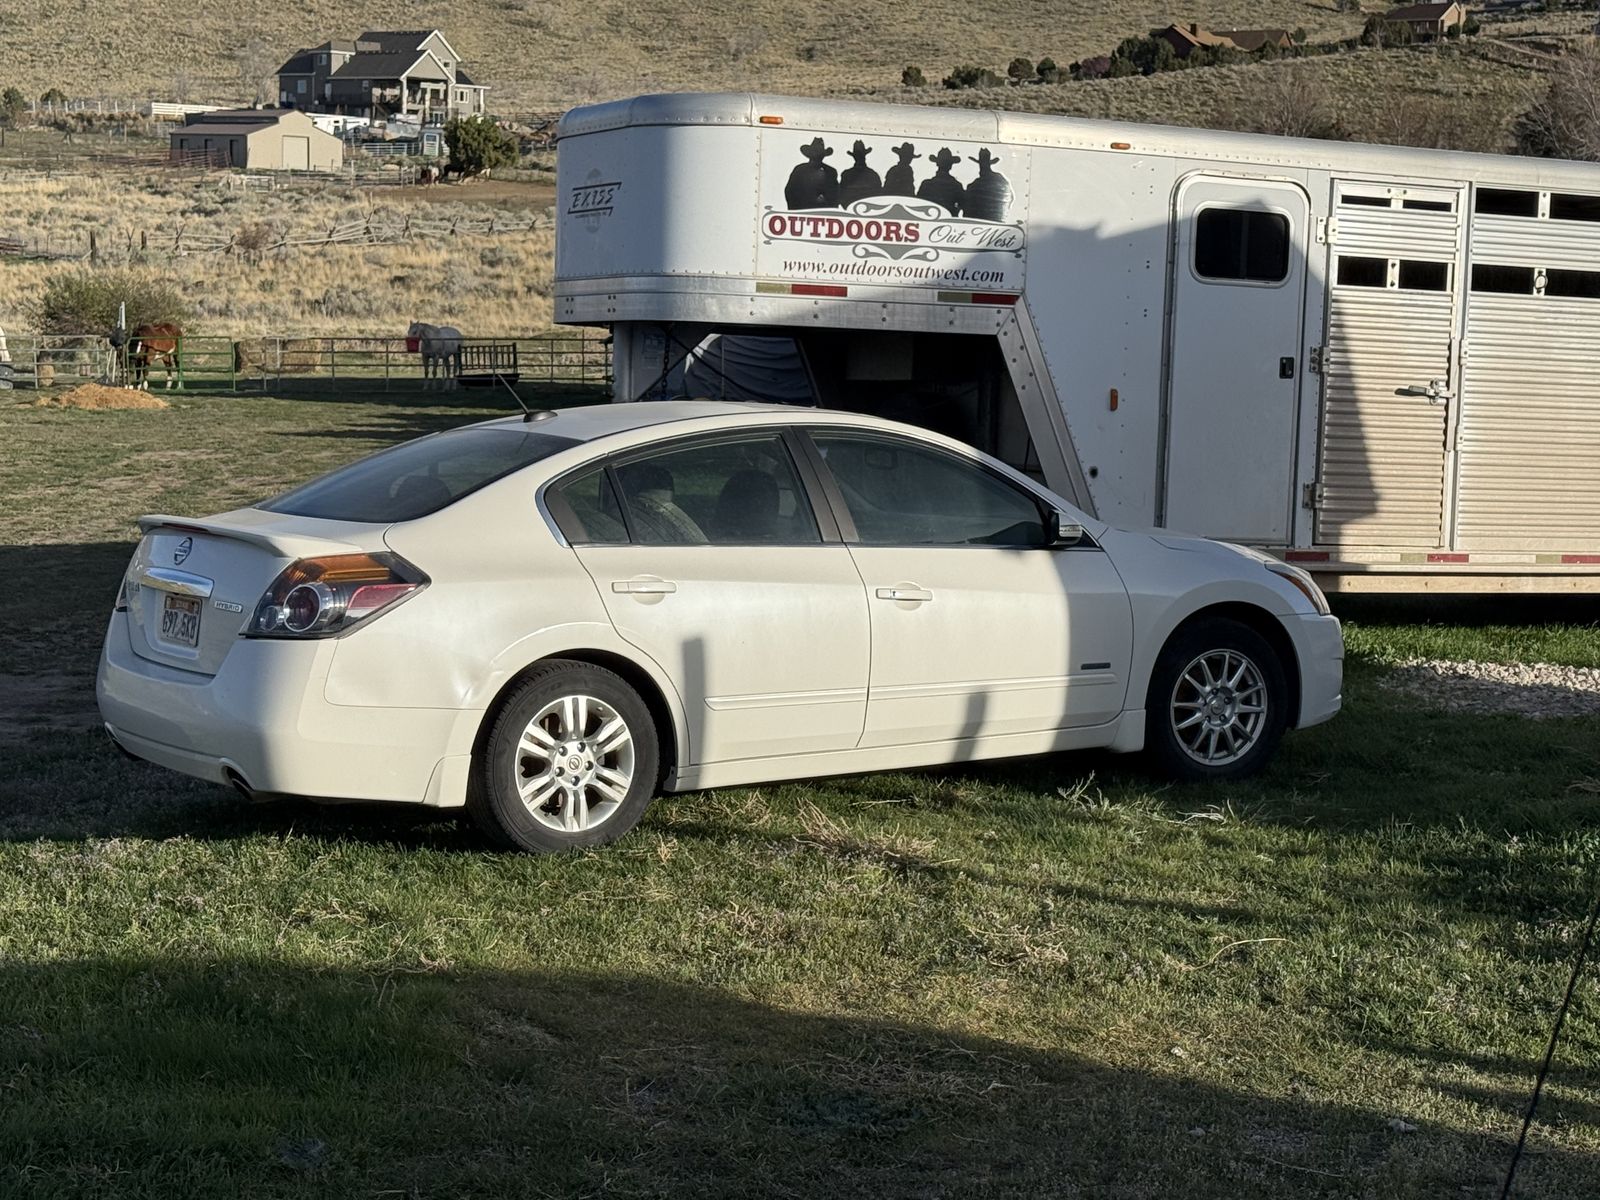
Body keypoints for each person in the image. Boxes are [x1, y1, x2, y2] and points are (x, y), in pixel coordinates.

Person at [917, 147, 965, 215]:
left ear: (937, 164)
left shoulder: (926, 184)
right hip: (948, 222)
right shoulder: (956, 186)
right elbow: (964, 205)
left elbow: (918, 204)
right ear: (950, 166)